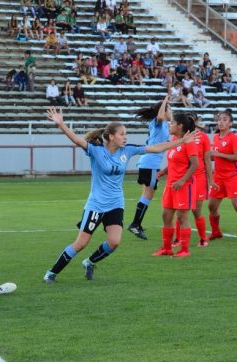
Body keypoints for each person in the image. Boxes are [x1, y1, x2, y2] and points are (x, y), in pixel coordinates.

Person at [43, 108, 199, 283]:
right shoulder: (96, 150)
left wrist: (182, 141)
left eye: (126, 134)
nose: (126, 137)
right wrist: (61, 124)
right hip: (96, 205)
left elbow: (156, 148)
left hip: (116, 204)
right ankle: (52, 272)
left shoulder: (127, 151)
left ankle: (90, 262)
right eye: (122, 134)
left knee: (114, 242)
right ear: (111, 137)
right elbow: (77, 139)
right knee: (81, 243)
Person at [151, 112, 200, 258]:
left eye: (172, 123)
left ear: (180, 126)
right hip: (171, 185)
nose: (169, 125)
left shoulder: (189, 142)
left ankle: (185, 250)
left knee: (182, 217)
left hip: (184, 185)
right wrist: (162, 172)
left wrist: (183, 180)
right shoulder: (174, 140)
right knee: (166, 215)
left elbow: (195, 164)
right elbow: (173, 162)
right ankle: (167, 248)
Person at [206, 111, 237, 243]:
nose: (221, 122)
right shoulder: (216, 138)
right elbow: (214, 156)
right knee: (211, 206)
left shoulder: (233, 138)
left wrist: (218, 154)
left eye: (225, 119)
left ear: (230, 123)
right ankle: (216, 232)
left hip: (233, 177)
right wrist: (206, 155)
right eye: (219, 119)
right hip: (218, 177)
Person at [127, 96, 171, 240]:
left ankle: (136, 224)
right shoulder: (159, 122)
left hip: (150, 163)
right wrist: (165, 101)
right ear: (164, 111)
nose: (172, 112)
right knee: (148, 195)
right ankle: (135, 224)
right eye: (170, 109)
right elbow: (159, 117)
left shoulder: (164, 125)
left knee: (147, 194)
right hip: (150, 163)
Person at [171, 115, 212, 248]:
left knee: (196, 211)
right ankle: (178, 239)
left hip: (199, 178)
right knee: (180, 210)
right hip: (183, 178)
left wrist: (210, 180)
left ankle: (203, 239)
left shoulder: (203, 137)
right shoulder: (176, 138)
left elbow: (206, 160)